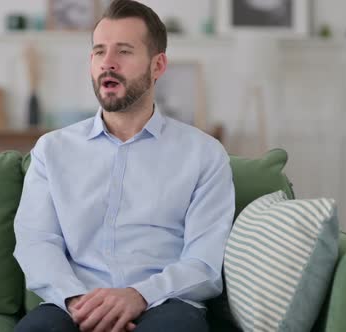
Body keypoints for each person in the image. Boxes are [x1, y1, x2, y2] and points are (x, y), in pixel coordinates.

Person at [13, 1, 235, 331]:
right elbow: (36, 242)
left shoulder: (205, 155)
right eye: (99, 51)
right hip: (73, 304)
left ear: (157, 65)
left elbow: (204, 262)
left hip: (165, 305)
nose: (108, 63)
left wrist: (138, 295)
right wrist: (78, 302)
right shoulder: (52, 150)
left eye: (124, 51)